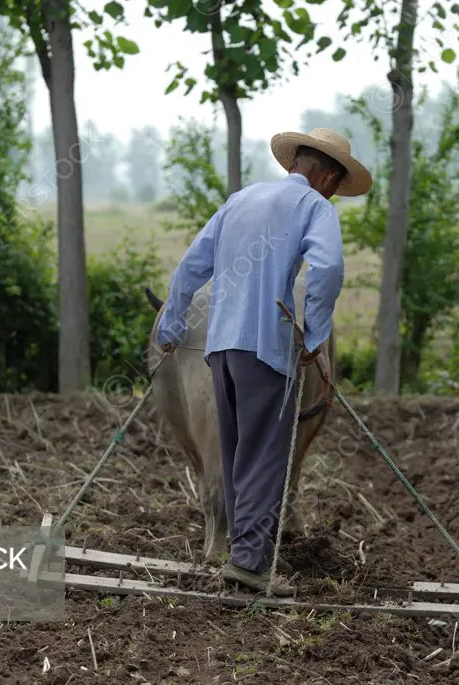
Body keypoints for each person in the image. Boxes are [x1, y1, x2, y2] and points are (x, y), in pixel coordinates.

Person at [154, 128, 373, 596]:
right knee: (266, 455)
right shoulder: (315, 207)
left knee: (236, 452)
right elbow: (329, 269)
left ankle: (237, 552)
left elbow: (192, 264)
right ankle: (252, 565)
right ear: (328, 176)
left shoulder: (241, 199)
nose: (334, 192)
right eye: (336, 185)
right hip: (267, 350)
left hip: (220, 350)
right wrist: (315, 332)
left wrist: (171, 324)